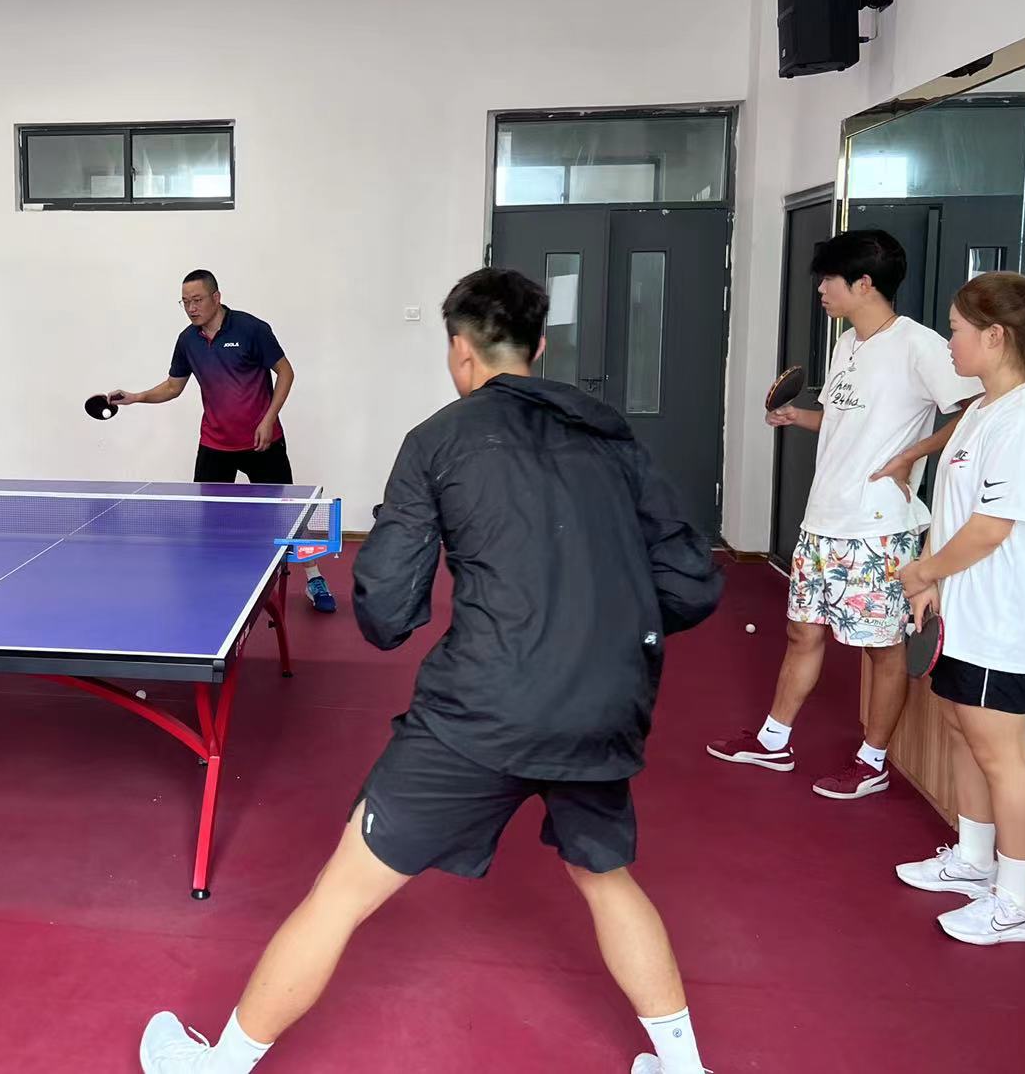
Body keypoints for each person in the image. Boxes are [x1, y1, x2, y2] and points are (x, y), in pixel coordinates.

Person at [138, 267, 724, 1074]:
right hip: (603, 703)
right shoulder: (611, 436)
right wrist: (598, 629)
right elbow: (691, 585)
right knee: (606, 876)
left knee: (344, 890)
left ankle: (221, 1065)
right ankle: (686, 1068)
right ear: (539, 347)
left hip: (483, 709)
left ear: (459, 352)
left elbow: (385, 612)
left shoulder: (438, 441)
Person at [708, 230, 979, 799]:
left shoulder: (920, 346)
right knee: (802, 632)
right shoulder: (847, 344)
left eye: (829, 279)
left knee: (882, 649)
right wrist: (797, 417)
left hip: (878, 527)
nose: (821, 290)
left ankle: (872, 761)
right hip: (823, 520)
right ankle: (774, 741)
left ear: (864, 283)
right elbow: (842, 422)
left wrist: (911, 455)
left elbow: (973, 410)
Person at [893, 272, 1025, 945]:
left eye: (956, 330)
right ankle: (973, 859)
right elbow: (954, 510)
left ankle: (1016, 904)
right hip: (961, 611)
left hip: (1003, 622)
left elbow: (992, 528)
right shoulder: (983, 410)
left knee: (1001, 754)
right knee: (964, 733)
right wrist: (929, 581)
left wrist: (922, 571)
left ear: (996, 336)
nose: (949, 342)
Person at [108, 269, 335, 612]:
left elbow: (286, 372)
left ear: (216, 297)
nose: (191, 308)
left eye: (197, 300)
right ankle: (213, 580)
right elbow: (173, 386)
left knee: (290, 514)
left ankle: (314, 578)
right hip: (215, 444)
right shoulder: (188, 340)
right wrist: (136, 397)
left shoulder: (251, 329)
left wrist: (268, 418)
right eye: (185, 302)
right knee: (210, 520)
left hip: (262, 441)